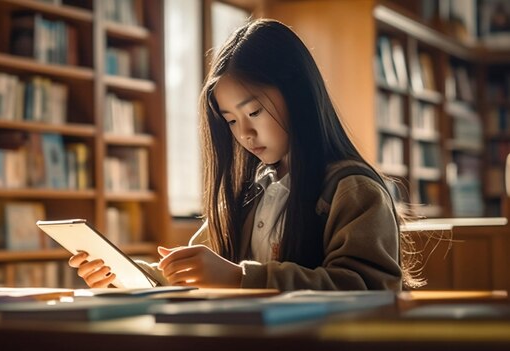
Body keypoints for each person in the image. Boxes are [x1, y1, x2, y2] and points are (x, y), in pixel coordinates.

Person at [69, 18, 420, 291]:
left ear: (297, 95)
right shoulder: (248, 193)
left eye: (253, 113)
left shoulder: (352, 191)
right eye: (232, 121)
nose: (244, 134)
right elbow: (192, 273)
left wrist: (239, 279)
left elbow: (370, 289)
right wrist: (122, 274)